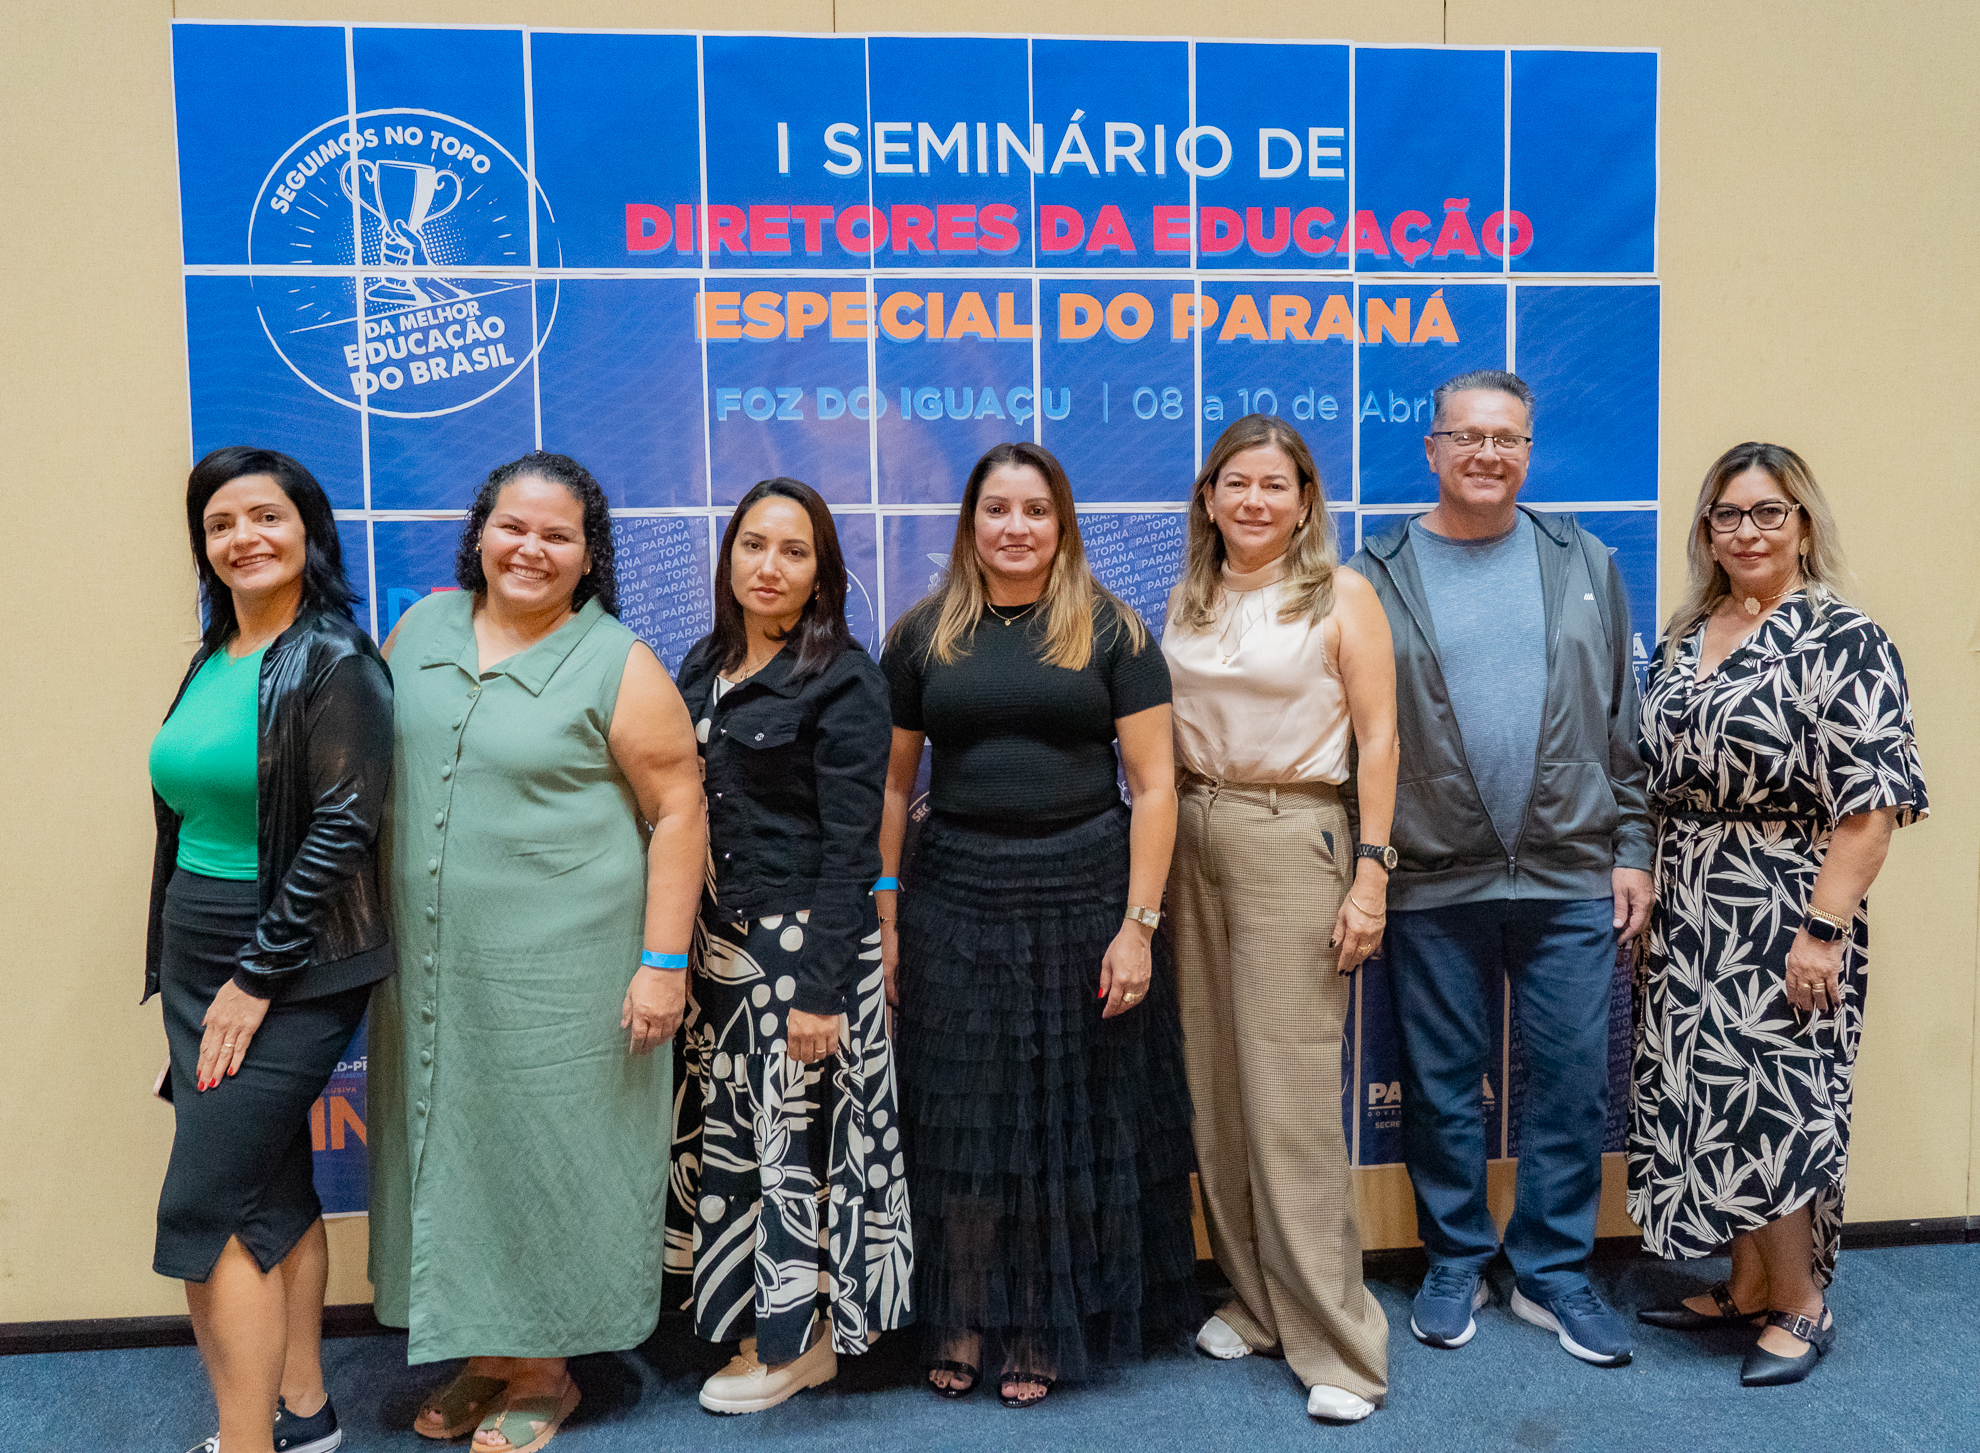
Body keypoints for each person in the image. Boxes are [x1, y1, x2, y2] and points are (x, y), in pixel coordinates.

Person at [367, 452, 704, 1453]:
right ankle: (486, 1352)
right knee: (456, 1150)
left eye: (558, 535)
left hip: (568, 971)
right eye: (513, 526)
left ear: (589, 555)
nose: (531, 548)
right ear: (480, 533)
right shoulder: (418, 632)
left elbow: (679, 807)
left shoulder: (616, 660)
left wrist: (664, 963)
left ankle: (547, 1368)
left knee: (549, 1157)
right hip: (434, 970)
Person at [879, 441, 1197, 1409]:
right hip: (955, 896)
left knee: (1062, 1122)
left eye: (1034, 510)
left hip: (1083, 895)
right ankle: (963, 1312)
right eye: (996, 509)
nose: (1014, 527)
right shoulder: (921, 634)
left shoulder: (1114, 630)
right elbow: (892, 787)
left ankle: (1035, 1321)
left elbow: (1155, 788)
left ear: (1062, 524)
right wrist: (886, 911)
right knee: (966, 1117)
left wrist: (1139, 925)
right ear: (970, 523)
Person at [1346, 369, 1651, 1369]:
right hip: (1433, 872)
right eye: (1467, 436)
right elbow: (1352, 732)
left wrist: (1633, 846)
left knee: (1570, 1082)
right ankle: (1456, 1257)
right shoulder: (1375, 571)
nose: (1487, 453)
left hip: (1570, 871)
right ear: (1432, 448)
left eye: (1506, 438)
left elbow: (1622, 717)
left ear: (1528, 450)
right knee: (1441, 1084)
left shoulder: (1582, 560)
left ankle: (1553, 1270)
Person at [1628, 443, 1926, 1387]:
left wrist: (1824, 929)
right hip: (1690, 901)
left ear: (1803, 523)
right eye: (1728, 514)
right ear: (1706, 531)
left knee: (1776, 1103)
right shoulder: (1686, 632)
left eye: (1769, 512)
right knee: (1708, 1095)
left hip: (1786, 906)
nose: (1747, 531)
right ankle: (1749, 1282)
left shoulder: (1843, 638)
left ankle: (1801, 1300)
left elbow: (1873, 805)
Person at [147, 446, 394, 1453]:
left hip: (291, 958)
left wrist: (254, 977)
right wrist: (188, 969)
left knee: (202, 1210)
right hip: (198, 946)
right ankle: (305, 1416)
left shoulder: (335, 658)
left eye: (265, 517)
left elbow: (344, 827)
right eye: (220, 524)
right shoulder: (214, 654)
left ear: (308, 532)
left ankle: (245, 1441)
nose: (242, 537)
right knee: (270, 1191)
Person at [1163, 416, 1397, 1423]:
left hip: (1292, 831)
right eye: (1236, 483)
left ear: (1305, 503)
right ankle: (1257, 1302)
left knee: (1291, 1096)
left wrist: (1372, 873)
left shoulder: (1342, 596)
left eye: (1274, 485)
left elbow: (1381, 740)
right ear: (1208, 498)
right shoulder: (1190, 596)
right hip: (1192, 828)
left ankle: (1341, 1344)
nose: (1254, 500)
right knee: (1216, 1085)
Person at [665, 478, 912, 1413]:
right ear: (729, 554)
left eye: (794, 551)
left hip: (804, 957)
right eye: (754, 544)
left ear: (822, 574)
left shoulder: (844, 677)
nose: (769, 566)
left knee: (799, 1151)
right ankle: (749, 1321)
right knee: (738, 1148)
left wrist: (819, 992)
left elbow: (853, 849)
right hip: (719, 955)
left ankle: (801, 1341)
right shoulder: (701, 664)